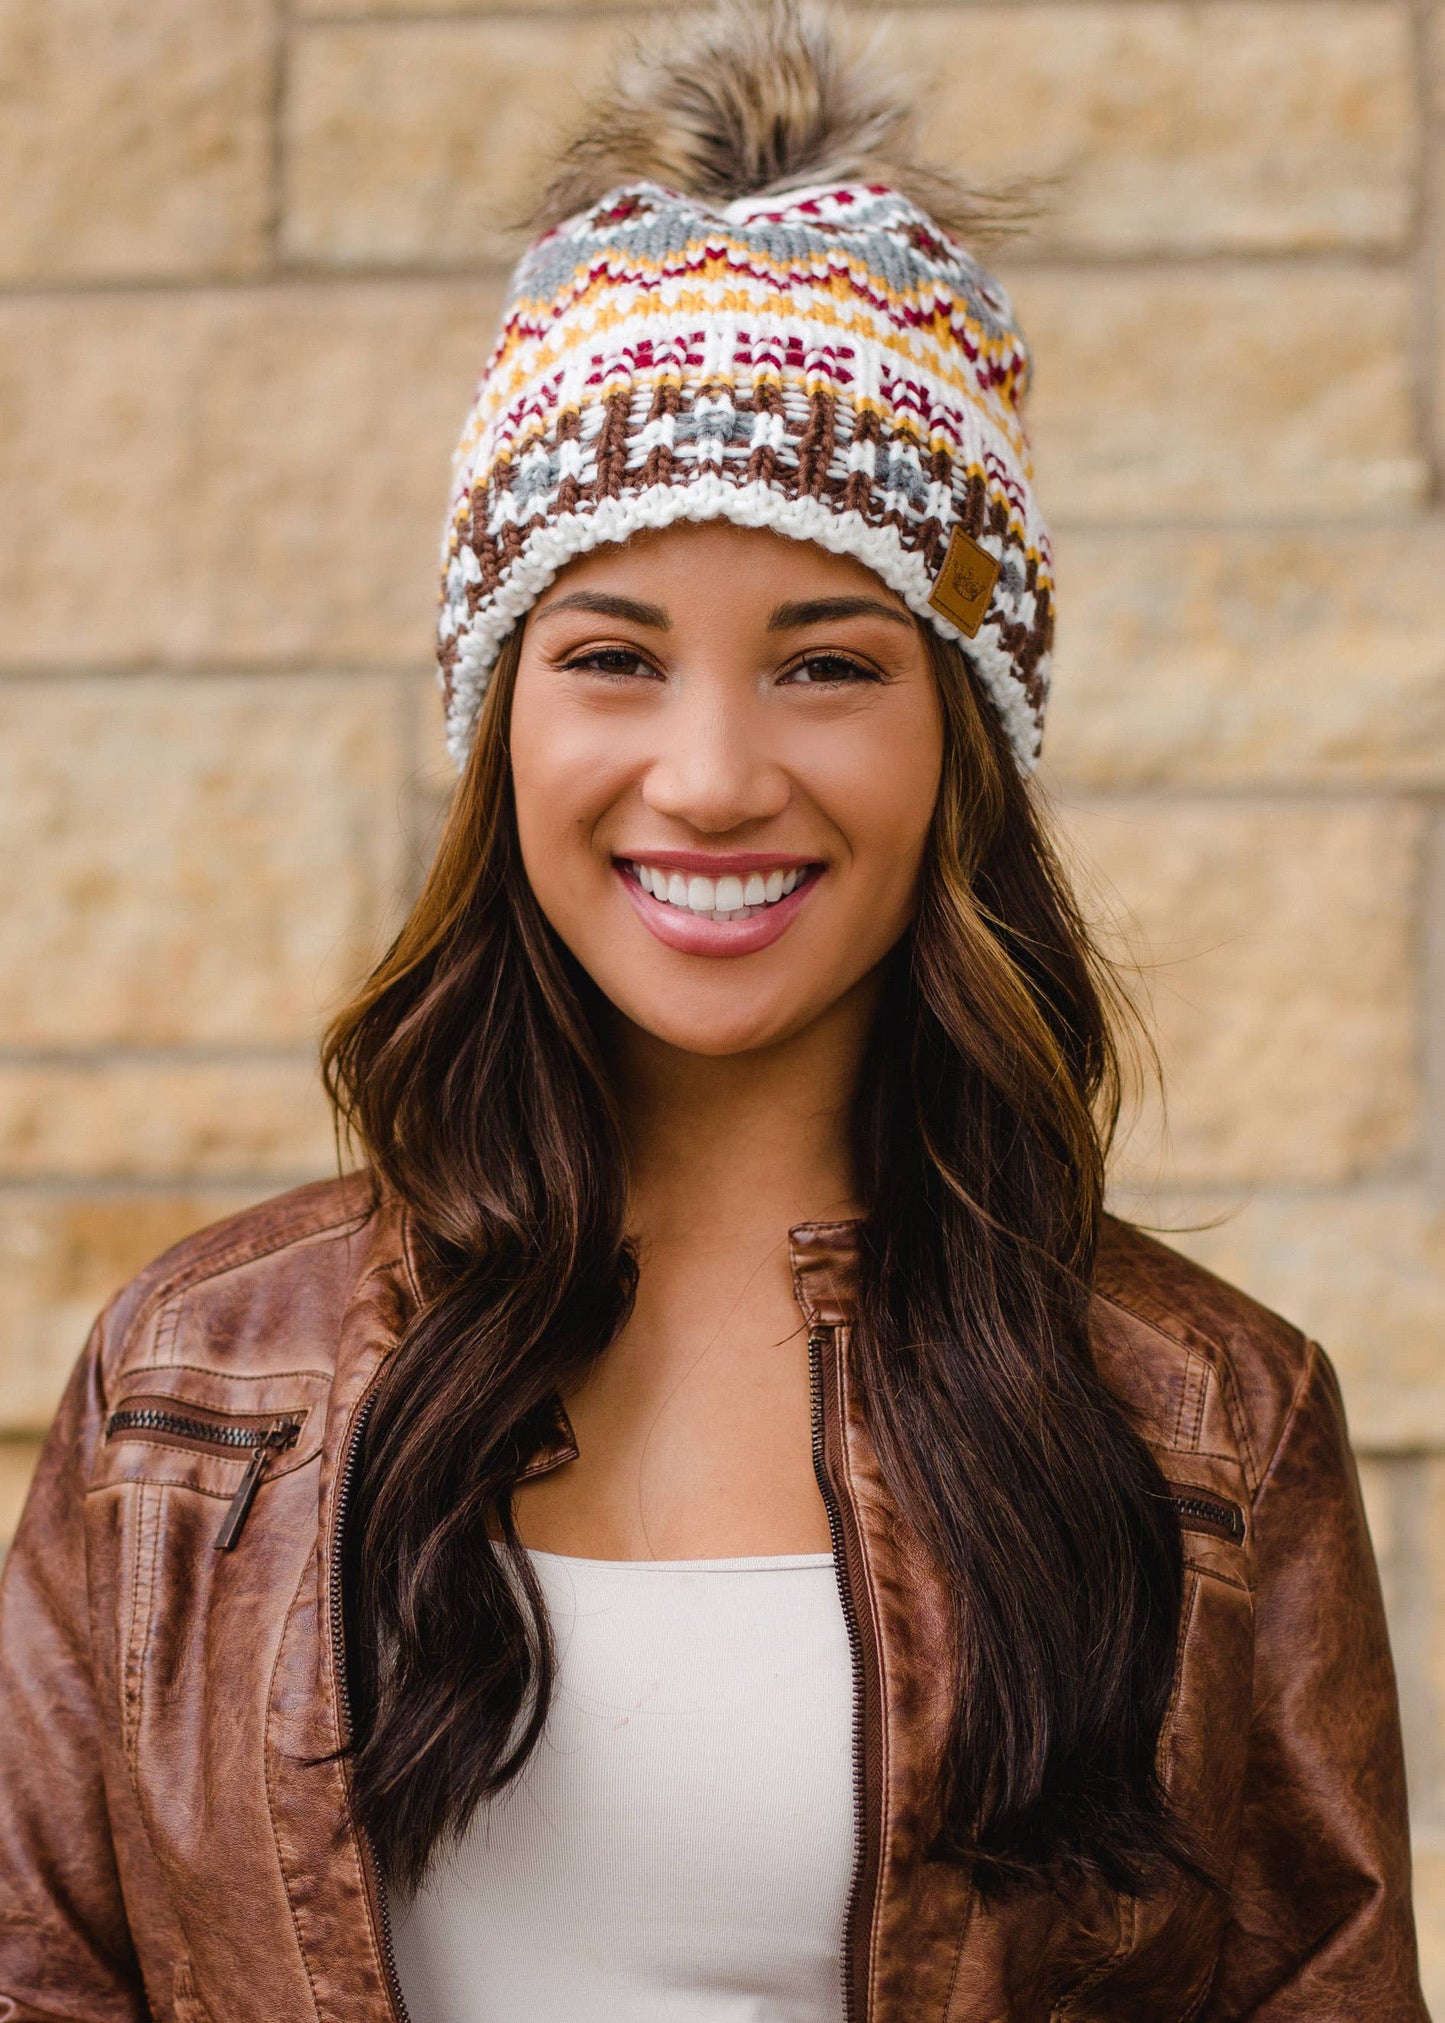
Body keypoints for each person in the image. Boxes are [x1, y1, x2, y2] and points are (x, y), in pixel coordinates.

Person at [0, 4, 1427, 2018]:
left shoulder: (1203, 1425)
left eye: (827, 661)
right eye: (611, 654)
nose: (709, 773)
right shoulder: (189, 1393)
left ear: (966, 739)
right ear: (502, 724)